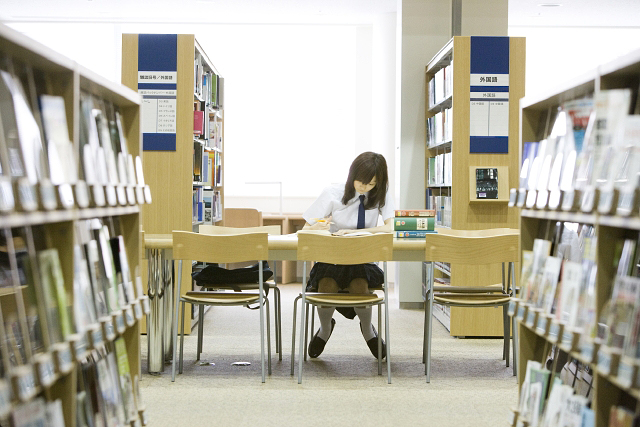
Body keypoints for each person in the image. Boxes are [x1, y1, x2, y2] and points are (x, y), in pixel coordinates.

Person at [302, 151, 394, 359]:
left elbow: (389, 228)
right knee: (326, 286)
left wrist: (354, 233)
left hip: (362, 259)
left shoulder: (381, 194)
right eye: (361, 182)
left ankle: (368, 330)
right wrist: (321, 226)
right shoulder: (332, 192)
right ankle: (325, 330)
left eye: (370, 184)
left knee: (359, 287)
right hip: (332, 258)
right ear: (352, 174)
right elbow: (307, 227)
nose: (364, 188)